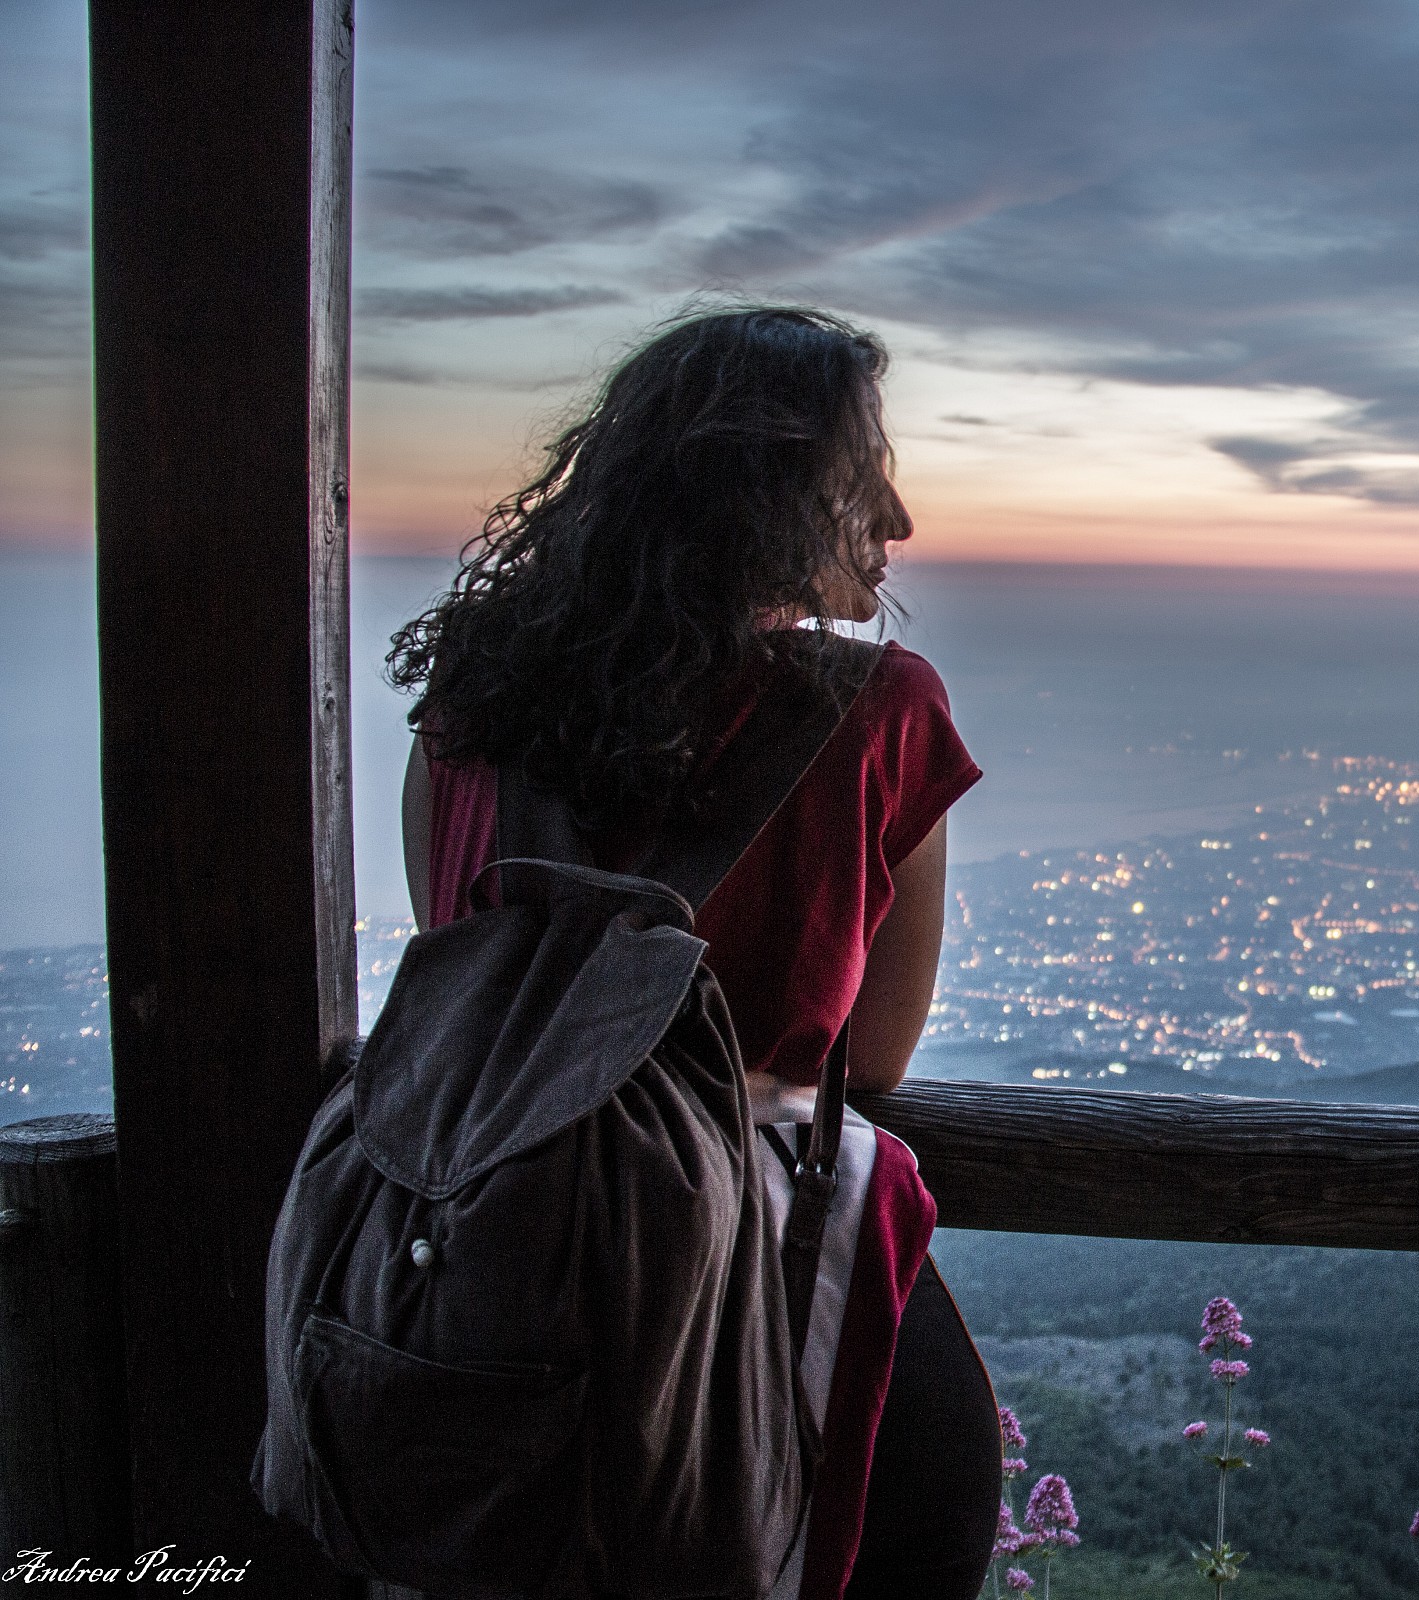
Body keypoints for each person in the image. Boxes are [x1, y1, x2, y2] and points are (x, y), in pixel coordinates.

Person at [387, 306, 1002, 1600]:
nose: (895, 520)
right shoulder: (881, 713)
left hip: (477, 1302)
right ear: (770, 494)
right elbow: (873, 1051)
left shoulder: (463, 716)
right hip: (765, 1315)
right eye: (861, 473)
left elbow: (476, 974)